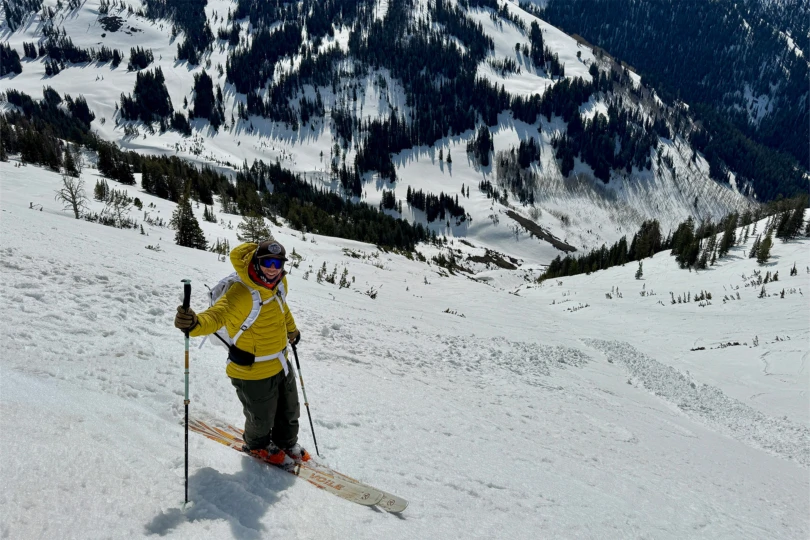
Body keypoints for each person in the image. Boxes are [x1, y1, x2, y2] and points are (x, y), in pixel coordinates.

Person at [174, 239, 309, 469]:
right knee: (261, 417)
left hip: (280, 362)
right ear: (257, 263)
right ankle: (257, 445)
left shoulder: (279, 284)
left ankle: (285, 443)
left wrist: (292, 330)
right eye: (267, 262)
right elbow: (217, 316)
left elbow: (282, 308)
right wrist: (194, 323)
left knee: (290, 409)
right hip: (252, 371)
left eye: (278, 263)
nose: (273, 268)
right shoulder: (242, 293)